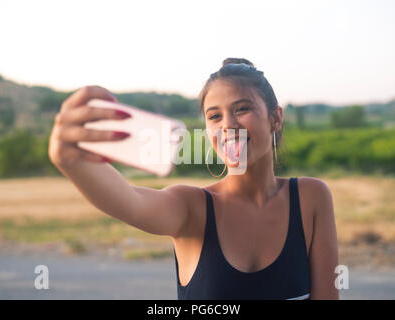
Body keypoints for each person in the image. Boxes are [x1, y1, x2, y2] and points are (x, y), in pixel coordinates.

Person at [48, 57, 339, 300]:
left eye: (242, 109)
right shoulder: (191, 207)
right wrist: (71, 161)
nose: (228, 125)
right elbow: (130, 201)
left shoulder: (311, 198)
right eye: (214, 116)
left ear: (276, 118)